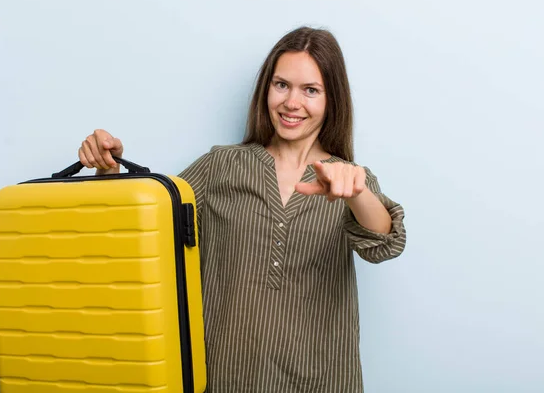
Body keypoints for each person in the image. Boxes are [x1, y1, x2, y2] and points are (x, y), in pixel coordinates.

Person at [78, 26, 406, 393]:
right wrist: (109, 170)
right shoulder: (221, 165)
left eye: (310, 90)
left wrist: (355, 191)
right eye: (281, 85)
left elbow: (384, 245)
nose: (291, 103)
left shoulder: (350, 180)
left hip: (322, 377)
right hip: (225, 375)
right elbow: (143, 232)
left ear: (332, 100)